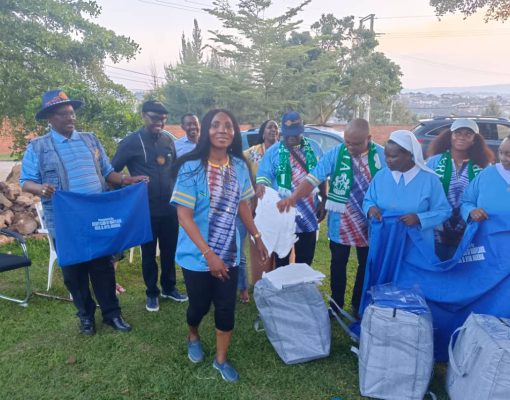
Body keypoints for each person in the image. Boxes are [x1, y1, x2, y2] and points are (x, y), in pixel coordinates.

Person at [20, 89, 147, 335]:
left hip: (95, 217)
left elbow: (108, 174)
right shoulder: (38, 147)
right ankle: (86, 316)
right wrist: (41, 188)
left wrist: (128, 180)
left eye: (72, 113)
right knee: (74, 273)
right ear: (50, 118)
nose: (70, 118)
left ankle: (112, 314)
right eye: (63, 114)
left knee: (103, 267)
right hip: (65, 220)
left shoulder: (90, 140)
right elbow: (26, 182)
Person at [171, 109, 268, 382]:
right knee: (199, 307)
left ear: (235, 132)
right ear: (205, 130)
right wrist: (208, 254)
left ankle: (220, 359)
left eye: (228, 125)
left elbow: (243, 206)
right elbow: (184, 216)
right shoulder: (191, 168)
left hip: (230, 254)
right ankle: (193, 335)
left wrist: (257, 237)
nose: (222, 129)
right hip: (197, 256)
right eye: (215, 125)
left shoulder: (238, 166)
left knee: (225, 308)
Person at [278, 119, 385, 315]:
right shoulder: (336, 153)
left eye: (355, 143)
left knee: (365, 263)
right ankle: (336, 305)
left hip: (370, 221)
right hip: (341, 221)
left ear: (368, 138)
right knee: (338, 263)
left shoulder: (381, 155)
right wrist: (293, 197)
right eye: (347, 142)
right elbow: (313, 178)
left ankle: (357, 304)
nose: (350, 146)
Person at [111, 100, 187, 312]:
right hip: (145, 210)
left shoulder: (167, 140)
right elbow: (110, 173)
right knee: (148, 253)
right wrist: (128, 179)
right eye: (155, 118)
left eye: (163, 119)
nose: (160, 123)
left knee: (169, 251)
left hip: (170, 208)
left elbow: (174, 171)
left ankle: (169, 288)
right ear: (144, 115)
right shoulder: (130, 142)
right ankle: (151, 292)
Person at [256, 111, 326, 267]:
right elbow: (263, 176)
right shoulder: (273, 152)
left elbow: (322, 175)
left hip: (308, 214)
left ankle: (301, 289)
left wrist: (324, 199)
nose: (293, 137)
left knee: (305, 261)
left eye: (296, 133)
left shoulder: (314, 148)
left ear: (302, 130)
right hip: (282, 215)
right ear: (282, 132)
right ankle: (283, 290)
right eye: (288, 134)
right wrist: (261, 185)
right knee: (282, 260)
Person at [363, 130, 452, 249]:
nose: (387, 160)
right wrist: (370, 209)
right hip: (385, 244)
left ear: (410, 155)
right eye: (386, 155)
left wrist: (419, 219)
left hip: (416, 247)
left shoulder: (430, 180)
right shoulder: (381, 176)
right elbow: (368, 200)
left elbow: (443, 211)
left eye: (393, 156)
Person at [426, 119, 495, 259]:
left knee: (462, 271)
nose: (462, 137)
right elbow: (425, 191)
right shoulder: (434, 162)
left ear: (474, 140)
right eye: (458, 133)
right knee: (437, 267)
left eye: (468, 134)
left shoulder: (483, 166)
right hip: (437, 229)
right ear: (450, 136)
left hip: (468, 229)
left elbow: (487, 195)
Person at [237, 119, 280, 303]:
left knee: (279, 244)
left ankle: (279, 280)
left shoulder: (284, 152)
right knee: (259, 242)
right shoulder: (251, 153)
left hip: (279, 206)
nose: (273, 130)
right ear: (263, 132)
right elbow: (239, 167)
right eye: (270, 127)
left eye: (276, 128)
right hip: (256, 205)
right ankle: (260, 281)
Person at [461, 135, 510, 222]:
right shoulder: (486, 174)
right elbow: (466, 201)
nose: (502, 158)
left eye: (508, 154)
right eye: (500, 152)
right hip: (488, 233)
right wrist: (471, 211)